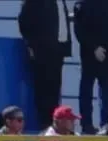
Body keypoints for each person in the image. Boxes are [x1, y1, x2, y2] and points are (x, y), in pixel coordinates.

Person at [18, 0, 73, 131]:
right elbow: (24, 20)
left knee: (55, 89)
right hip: (42, 50)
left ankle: (54, 124)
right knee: (43, 90)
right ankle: (44, 125)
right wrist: (31, 44)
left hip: (58, 50)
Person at [74, 0, 108, 133]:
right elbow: (79, 30)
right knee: (86, 92)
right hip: (90, 57)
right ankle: (86, 124)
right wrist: (94, 48)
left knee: (105, 95)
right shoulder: (83, 4)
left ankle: (105, 125)